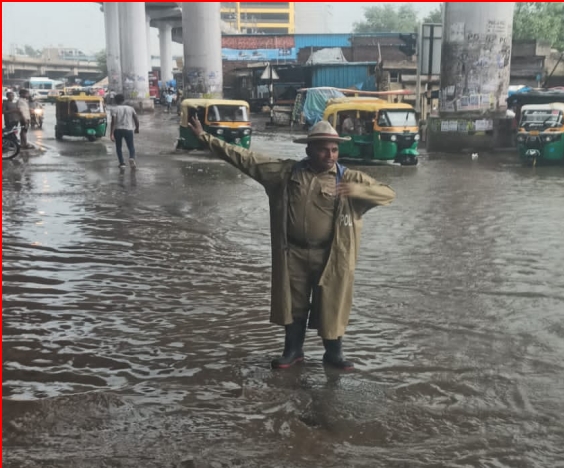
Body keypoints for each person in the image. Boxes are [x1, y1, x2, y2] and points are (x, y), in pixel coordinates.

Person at [188, 116, 395, 369]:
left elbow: (388, 193)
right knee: (293, 305)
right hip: (293, 252)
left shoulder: (348, 178)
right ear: (309, 150)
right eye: (323, 149)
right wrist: (205, 138)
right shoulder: (285, 173)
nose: (330, 155)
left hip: (331, 255)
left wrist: (357, 191)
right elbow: (244, 158)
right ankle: (293, 351)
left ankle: (333, 354)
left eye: (334, 149)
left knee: (332, 303)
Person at [108, 94, 140, 169]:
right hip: (129, 129)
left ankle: (122, 163)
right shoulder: (131, 108)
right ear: (123, 100)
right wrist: (137, 128)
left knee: (118, 147)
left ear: (115, 100)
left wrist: (111, 133)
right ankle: (131, 157)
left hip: (118, 130)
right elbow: (136, 119)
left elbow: (113, 122)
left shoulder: (114, 109)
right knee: (131, 146)